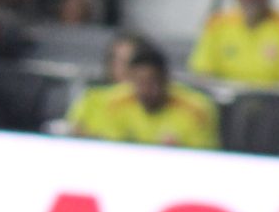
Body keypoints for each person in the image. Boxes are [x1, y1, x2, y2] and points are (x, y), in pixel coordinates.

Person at [65, 39, 220, 147]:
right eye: (140, 82)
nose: (147, 89)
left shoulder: (197, 109)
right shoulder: (113, 103)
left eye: (152, 82)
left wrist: (179, 151)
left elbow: (206, 157)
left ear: (166, 79)